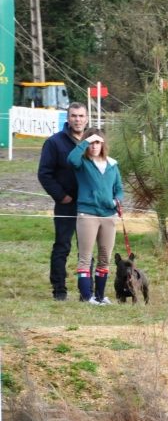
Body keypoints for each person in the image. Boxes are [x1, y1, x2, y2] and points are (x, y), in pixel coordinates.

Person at [38, 102, 88, 300]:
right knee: (62, 246)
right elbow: (44, 174)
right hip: (66, 203)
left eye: (81, 116)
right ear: (68, 118)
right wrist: (61, 196)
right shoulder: (54, 143)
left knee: (86, 248)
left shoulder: (93, 140)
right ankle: (59, 289)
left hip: (88, 204)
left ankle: (86, 290)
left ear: (86, 118)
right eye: (74, 116)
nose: (77, 119)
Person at [67, 128, 124, 304]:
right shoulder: (82, 163)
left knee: (105, 257)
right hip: (87, 214)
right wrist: (84, 142)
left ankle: (99, 296)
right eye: (90, 142)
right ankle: (86, 296)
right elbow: (71, 159)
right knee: (85, 257)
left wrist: (116, 202)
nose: (94, 146)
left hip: (109, 216)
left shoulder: (112, 164)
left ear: (103, 143)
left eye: (97, 142)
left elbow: (119, 189)